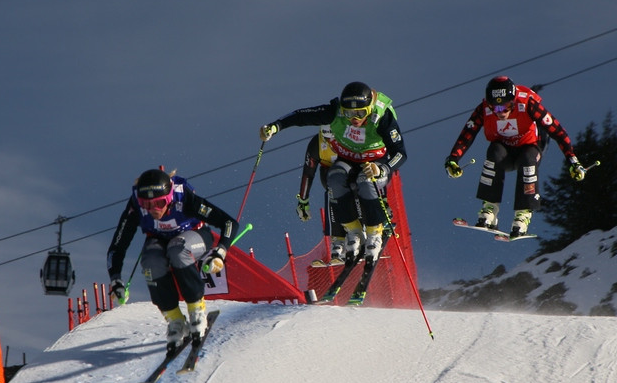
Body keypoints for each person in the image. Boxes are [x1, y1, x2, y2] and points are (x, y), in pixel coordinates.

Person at [260, 81, 407, 263]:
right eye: (348, 113)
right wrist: (276, 126)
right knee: (334, 179)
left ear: (369, 108)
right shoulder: (334, 112)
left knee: (366, 181)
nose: (354, 118)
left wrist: (383, 168)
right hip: (349, 159)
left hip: (374, 162)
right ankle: (352, 232)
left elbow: (401, 153)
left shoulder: (382, 117)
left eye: (360, 113)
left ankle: (374, 232)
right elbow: (302, 116)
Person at [106, 168, 239, 347]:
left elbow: (229, 223)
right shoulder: (135, 205)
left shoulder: (183, 197)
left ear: (169, 198)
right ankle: (175, 320)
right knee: (151, 261)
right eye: (146, 204)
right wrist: (116, 280)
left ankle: (196, 310)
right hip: (159, 240)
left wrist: (220, 252)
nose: (153, 210)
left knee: (177, 249)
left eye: (160, 203)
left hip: (194, 235)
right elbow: (118, 245)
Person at [444, 75, 586, 237]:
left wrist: (573, 161)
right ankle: (489, 209)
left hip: (529, 147)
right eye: (496, 108)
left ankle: (522, 215)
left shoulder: (528, 104)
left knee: (528, 160)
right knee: (494, 152)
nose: (502, 112)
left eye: (507, 106)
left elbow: (558, 131)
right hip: (505, 152)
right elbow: (468, 133)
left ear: (514, 100)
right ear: (489, 105)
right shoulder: (483, 110)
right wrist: (453, 159)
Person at [296, 128, 345, 265]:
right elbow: (308, 173)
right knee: (332, 190)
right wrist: (303, 200)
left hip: (350, 171)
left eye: (332, 138)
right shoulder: (316, 144)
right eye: (326, 138)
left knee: (354, 187)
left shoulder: (349, 136)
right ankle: (338, 240)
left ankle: (361, 233)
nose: (330, 142)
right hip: (329, 172)